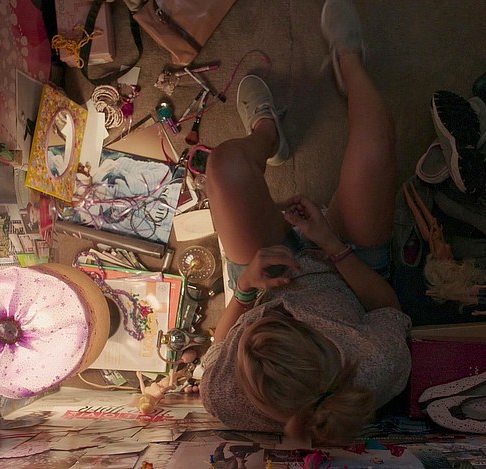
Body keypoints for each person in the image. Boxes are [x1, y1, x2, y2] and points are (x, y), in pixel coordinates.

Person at [199, 0, 411, 444]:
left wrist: (247, 290)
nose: (279, 310)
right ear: (321, 343)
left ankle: (267, 133)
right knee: (376, 143)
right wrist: (332, 245)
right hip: (348, 268)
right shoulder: (375, 368)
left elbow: (220, 344)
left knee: (223, 166)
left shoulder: (224, 398)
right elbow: (387, 308)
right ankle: (349, 61)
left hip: (262, 274)